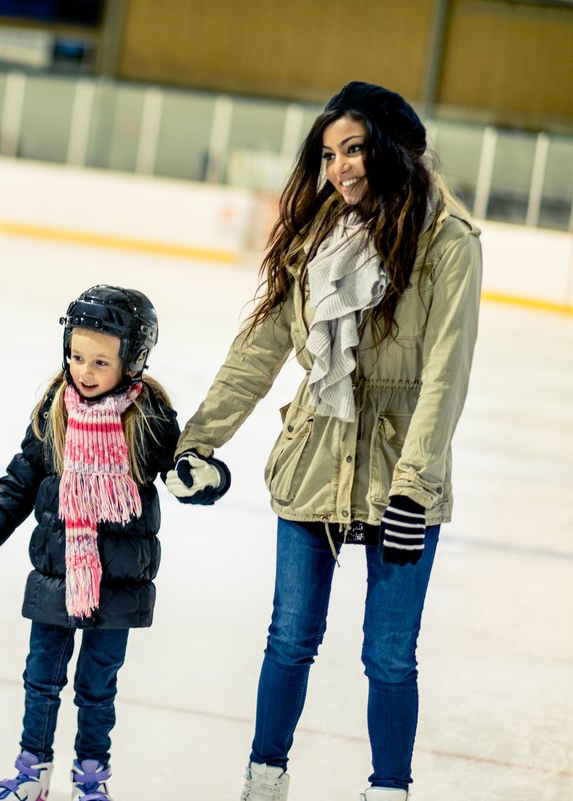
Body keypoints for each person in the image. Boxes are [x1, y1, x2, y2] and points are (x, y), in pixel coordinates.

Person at [167, 82, 482, 801]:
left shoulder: (448, 243)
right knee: (289, 636)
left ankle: (388, 790)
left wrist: (414, 486)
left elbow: (446, 372)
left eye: (356, 148)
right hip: (314, 458)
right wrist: (200, 440)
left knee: (390, 655)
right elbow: (261, 348)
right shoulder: (316, 236)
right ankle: (264, 778)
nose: (339, 166)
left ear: (397, 148)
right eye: (330, 152)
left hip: (403, 471)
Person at [0, 285, 184, 801]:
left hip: (119, 581)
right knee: (41, 679)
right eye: (76, 356)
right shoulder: (56, 411)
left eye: (100, 361)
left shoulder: (149, 418)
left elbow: (182, 469)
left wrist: (201, 477)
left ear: (133, 360)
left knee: (98, 688)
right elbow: (20, 481)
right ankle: (32, 774)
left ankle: (91, 778)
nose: (85, 371)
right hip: (56, 573)